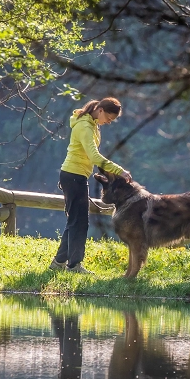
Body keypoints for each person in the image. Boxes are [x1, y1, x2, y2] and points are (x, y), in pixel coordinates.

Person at [50, 97, 130, 273]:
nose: (108, 122)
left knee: (75, 221)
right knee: (79, 222)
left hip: (77, 176)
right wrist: (118, 170)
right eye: (108, 118)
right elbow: (94, 157)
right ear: (100, 110)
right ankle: (74, 265)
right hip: (73, 176)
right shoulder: (85, 126)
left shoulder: (93, 124)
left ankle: (58, 263)